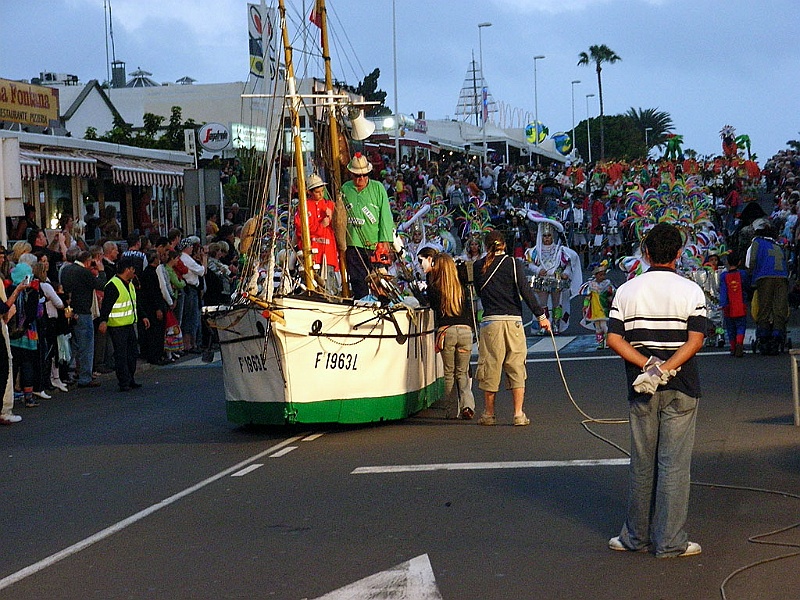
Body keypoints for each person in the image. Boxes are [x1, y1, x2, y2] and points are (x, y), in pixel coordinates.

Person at [605, 222, 706, 558]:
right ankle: (671, 541)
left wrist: (648, 365)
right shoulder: (691, 291)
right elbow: (696, 340)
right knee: (675, 466)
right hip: (682, 386)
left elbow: (614, 338)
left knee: (642, 463)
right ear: (679, 253)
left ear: (645, 253)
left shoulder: (627, 290)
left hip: (641, 386)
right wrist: (666, 367)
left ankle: (635, 537)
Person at [474, 230, 551, 426]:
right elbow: (526, 292)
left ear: (485, 246)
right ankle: (518, 413)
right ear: (505, 245)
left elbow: (478, 292)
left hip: (490, 321)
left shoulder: (478, 266)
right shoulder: (514, 264)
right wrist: (541, 316)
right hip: (513, 321)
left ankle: (489, 413)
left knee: (490, 366)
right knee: (516, 366)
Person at [420, 248, 475, 420]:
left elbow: (433, 307)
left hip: (446, 331)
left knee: (449, 372)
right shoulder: (460, 287)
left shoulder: (436, 287)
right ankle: (468, 405)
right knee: (463, 371)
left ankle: (451, 410)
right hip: (465, 330)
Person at [341, 152, 395, 299]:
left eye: (364, 175)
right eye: (357, 176)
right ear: (351, 174)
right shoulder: (345, 189)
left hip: (374, 244)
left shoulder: (378, 188)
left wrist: (384, 241)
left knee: (380, 282)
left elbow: (385, 215)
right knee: (358, 282)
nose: (361, 179)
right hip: (353, 244)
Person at [98, 256, 148, 392]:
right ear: (127, 270)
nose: (134, 272)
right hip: (117, 326)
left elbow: (135, 303)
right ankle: (124, 381)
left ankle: (130, 379)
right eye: (133, 269)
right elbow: (106, 306)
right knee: (121, 355)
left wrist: (143, 316)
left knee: (132, 353)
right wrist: (103, 321)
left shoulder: (130, 284)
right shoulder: (113, 285)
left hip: (129, 324)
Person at [60, 249, 107, 388]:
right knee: (86, 346)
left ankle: (69, 372)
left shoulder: (66, 270)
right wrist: (101, 271)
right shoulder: (84, 272)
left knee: (73, 345)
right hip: (83, 312)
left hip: (70, 310)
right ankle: (85, 377)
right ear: (87, 261)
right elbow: (101, 285)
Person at [745, 219, 789, 355]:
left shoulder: (757, 242)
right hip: (782, 276)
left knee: (764, 306)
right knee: (779, 307)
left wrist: (750, 272)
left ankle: (764, 336)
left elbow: (750, 261)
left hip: (764, 276)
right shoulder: (778, 245)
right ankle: (777, 334)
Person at [294, 174, 340, 294]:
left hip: (328, 254)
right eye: (317, 192)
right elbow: (301, 229)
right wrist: (321, 226)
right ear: (309, 192)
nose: (321, 194)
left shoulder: (330, 205)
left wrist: (333, 219)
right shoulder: (303, 206)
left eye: (322, 191)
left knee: (330, 289)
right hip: (312, 255)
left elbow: (340, 228)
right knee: (311, 288)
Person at [178, 236, 206, 353]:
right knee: (190, 317)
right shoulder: (186, 259)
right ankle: (188, 344)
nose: (191, 249)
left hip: (192, 289)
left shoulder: (186, 258)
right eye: (190, 247)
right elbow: (201, 270)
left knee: (191, 317)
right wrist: (204, 260)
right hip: (190, 289)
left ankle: (190, 343)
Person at [580, 262, 616, 349]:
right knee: (597, 327)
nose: (602, 277)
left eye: (603, 275)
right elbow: (588, 297)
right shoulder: (591, 285)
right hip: (594, 308)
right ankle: (600, 342)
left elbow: (611, 295)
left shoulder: (607, 284)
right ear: (596, 275)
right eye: (600, 275)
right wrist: (585, 305)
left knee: (604, 326)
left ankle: (608, 341)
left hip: (603, 308)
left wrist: (611, 301)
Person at [719, 252, 749, 357]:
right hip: (741, 304)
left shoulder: (723, 276)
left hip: (728, 306)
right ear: (740, 262)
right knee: (741, 325)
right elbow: (746, 287)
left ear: (727, 262)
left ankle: (732, 347)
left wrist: (722, 304)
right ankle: (739, 343)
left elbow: (723, 291)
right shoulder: (743, 274)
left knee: (730, 328)